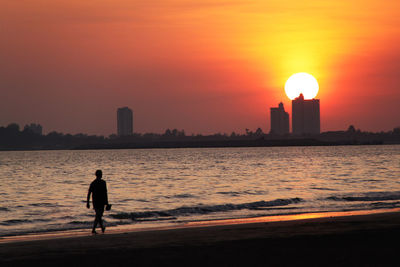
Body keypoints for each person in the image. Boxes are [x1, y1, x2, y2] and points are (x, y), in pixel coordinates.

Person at [87, 170, 109, 234]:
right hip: (101, 201)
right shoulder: (103, 182)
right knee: (99, 215)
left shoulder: (93, 183)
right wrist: (106, 202)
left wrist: (88, 202)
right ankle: (94, 229)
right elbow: (105, 193)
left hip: (95, 202)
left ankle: (102, 228)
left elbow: (89, 193)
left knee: (98, 215)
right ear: (101, 175)